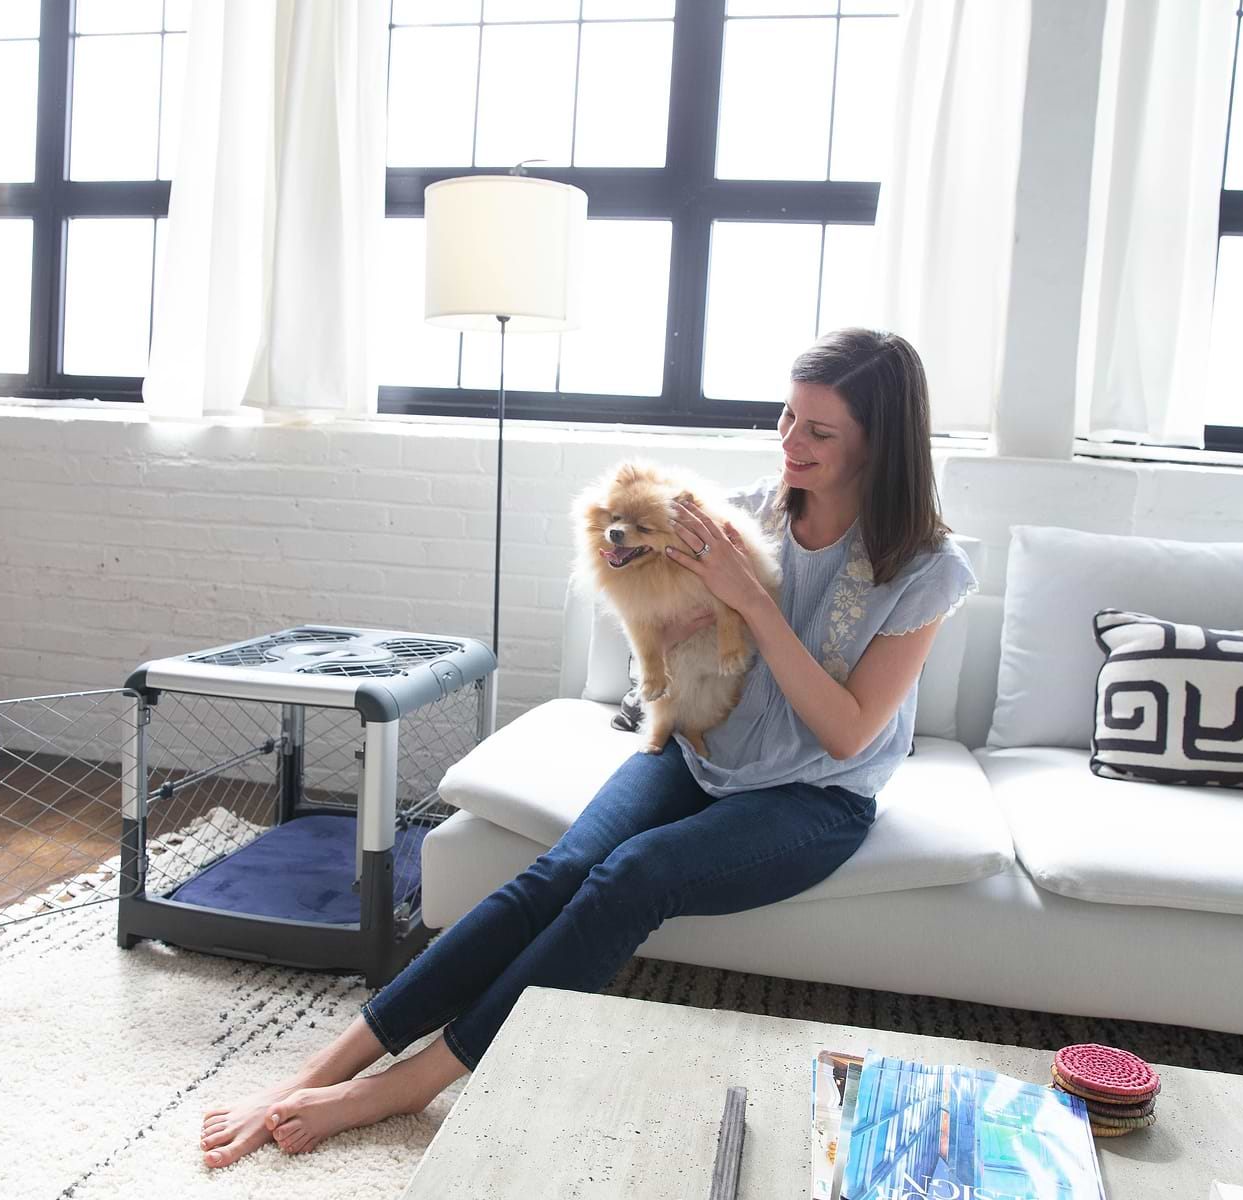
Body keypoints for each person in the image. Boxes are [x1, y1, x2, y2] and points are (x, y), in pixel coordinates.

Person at [198, 328, 978, 1167]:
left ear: (878, 442)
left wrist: (750, 602)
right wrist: (671, 614)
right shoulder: (745, 516)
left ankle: (410, 1082)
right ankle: (320, 1068)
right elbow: (657, 625)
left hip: (812, 798)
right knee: (554, 875)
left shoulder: (924, 568)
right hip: (701, 751)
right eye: (787, 418)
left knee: (630, 877)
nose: (791, 443)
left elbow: (849, 729)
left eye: (820, 433)